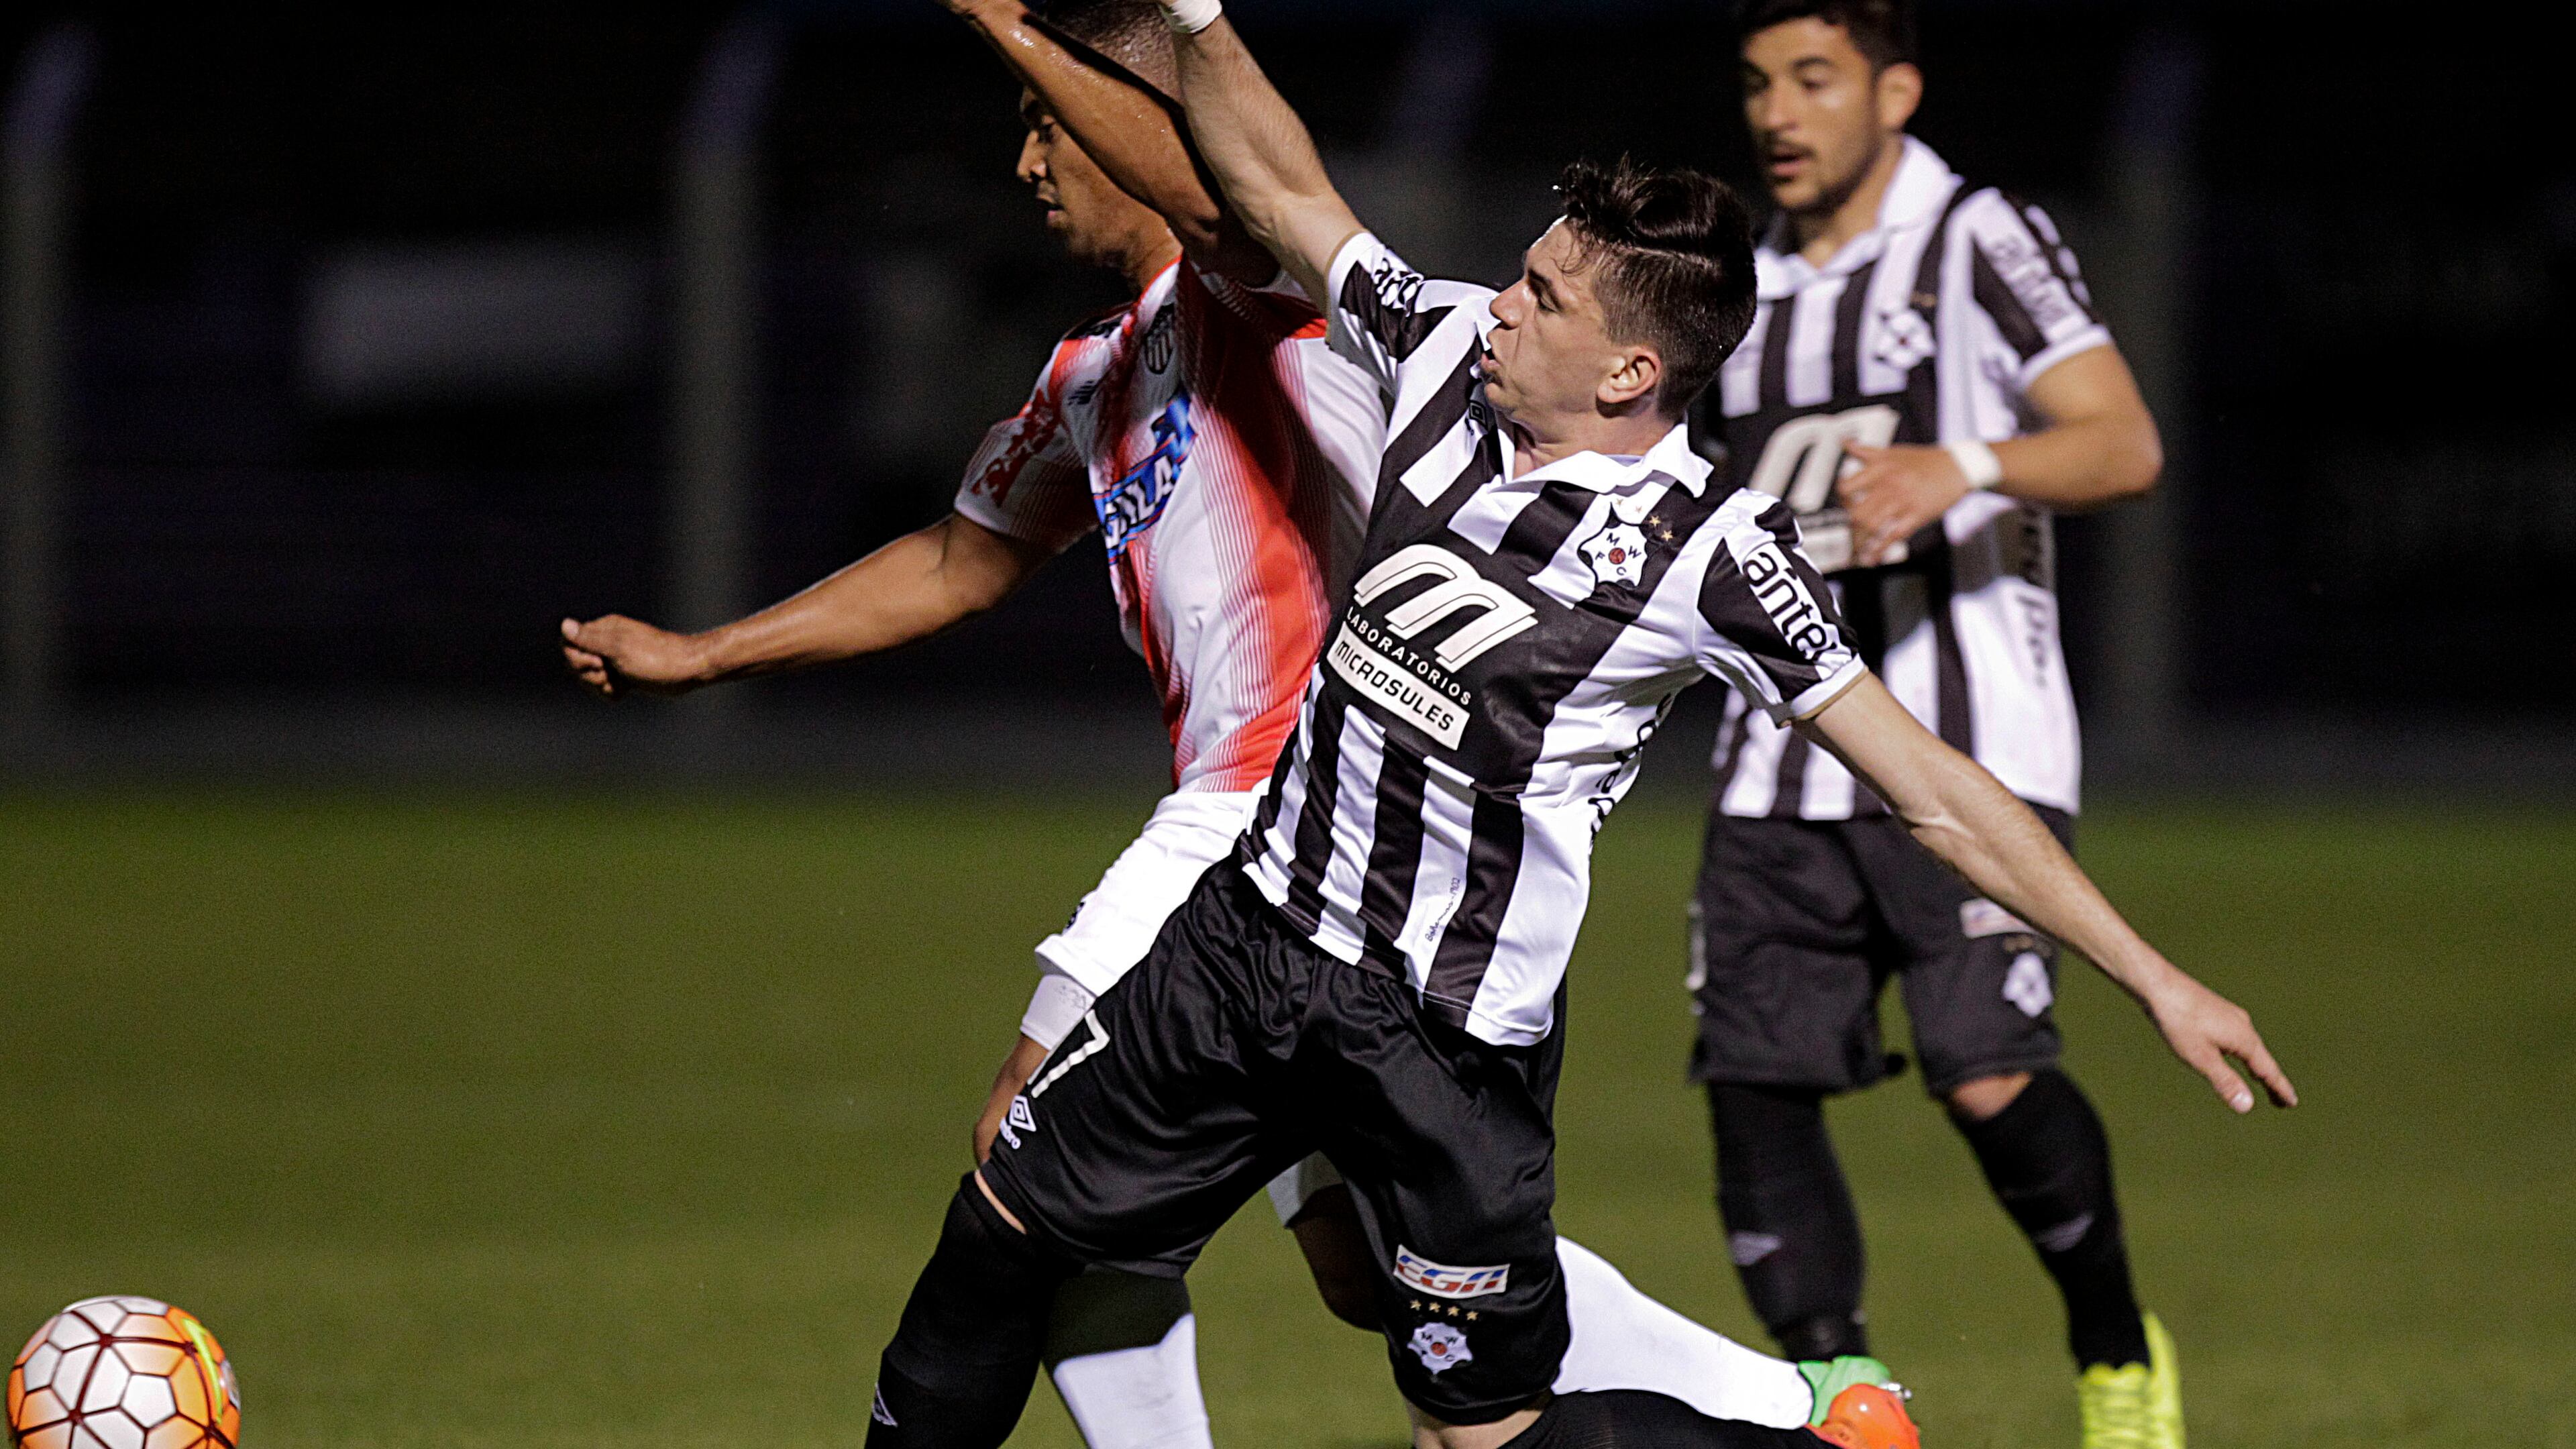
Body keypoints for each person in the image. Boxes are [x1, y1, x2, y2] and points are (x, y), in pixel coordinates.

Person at [863, 3, 2294, 1448]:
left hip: (1441, 1045)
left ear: (1628, 375)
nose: (1500, 303)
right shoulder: (1432, 356)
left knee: (1482, 1436)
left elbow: (1930, 790)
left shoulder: (1710, 553)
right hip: (1245, 951)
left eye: (1540, 298)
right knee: (996, 1245)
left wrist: (2154, 978)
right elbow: (1283, 189)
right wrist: (1199, 21)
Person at [566, 3, 1856, 1444]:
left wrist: (1017, 27)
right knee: (1369, 1273)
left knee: (1025, 1156)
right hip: (1271, 856)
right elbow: (957, 560)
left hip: (1301, 804)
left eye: (1051, 127)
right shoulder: (1092, 374)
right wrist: (703, 653)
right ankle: (1792, 1409)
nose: (1033, 163)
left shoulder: (1261, 308)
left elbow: (1213, 181)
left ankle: (1775, 1404)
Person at [1688, 4, 2206, 1444]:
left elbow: (2124, 441)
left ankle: (2114, 1349)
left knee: (1986, 1075)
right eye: (1756, 85)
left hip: (1973, 747)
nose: (1778, 113)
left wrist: (1959, 466)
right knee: (1756, 1087)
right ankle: (1851, 1400)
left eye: (1814, 81)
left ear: (1896, 92)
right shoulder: (1739, 276)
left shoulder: (1976, 235)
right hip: (1772, 755)